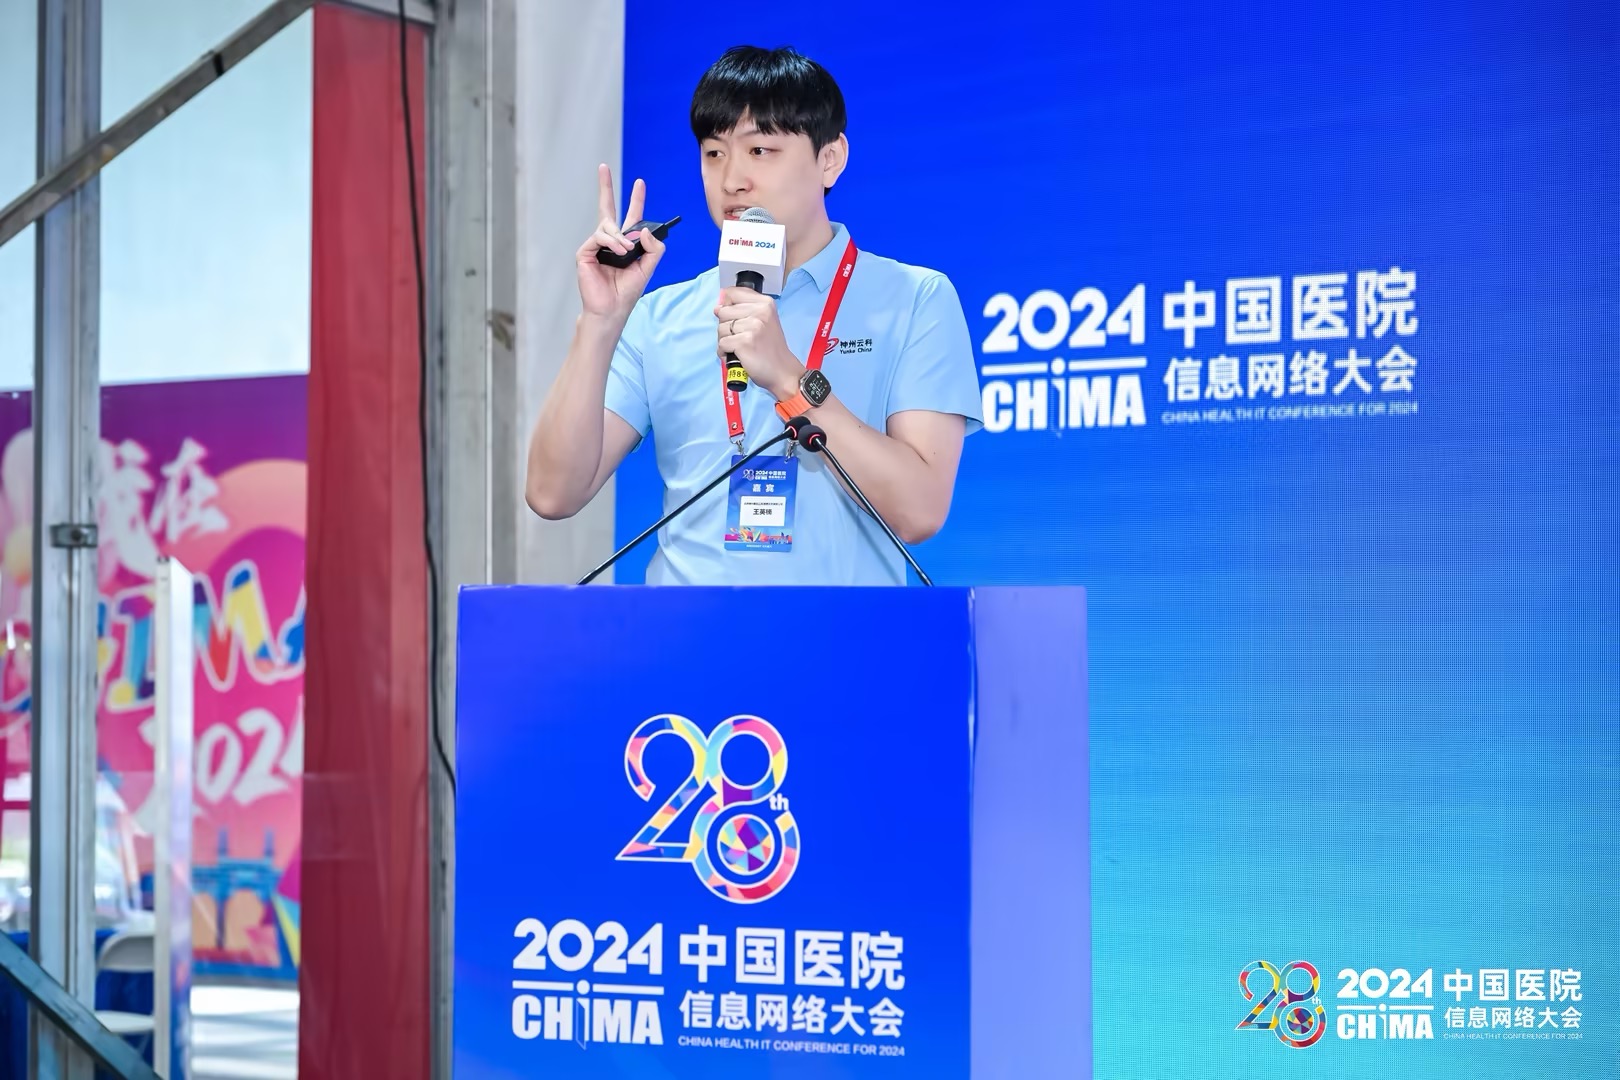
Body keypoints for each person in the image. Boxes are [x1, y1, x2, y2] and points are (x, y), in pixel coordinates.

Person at [525, 45, 983, 585]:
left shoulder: (915, 299)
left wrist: (789, 378)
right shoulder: (660, 317)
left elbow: (921, 511)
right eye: (714, 153)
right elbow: (552, 494)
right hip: (682, 634)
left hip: (841, 634)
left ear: (830, 159)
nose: (731, 180)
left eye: (760, 150)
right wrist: (600, 322)